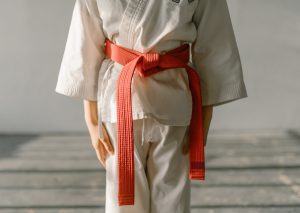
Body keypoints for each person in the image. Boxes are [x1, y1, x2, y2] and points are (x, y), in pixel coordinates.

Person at [55, 0, 248, 212]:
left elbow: (214, 41)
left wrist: (204, 117)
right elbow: (85, 39)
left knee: (171, 195)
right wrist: (91, 119)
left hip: (174, 99)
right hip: (121, 100)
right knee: (125, 198)